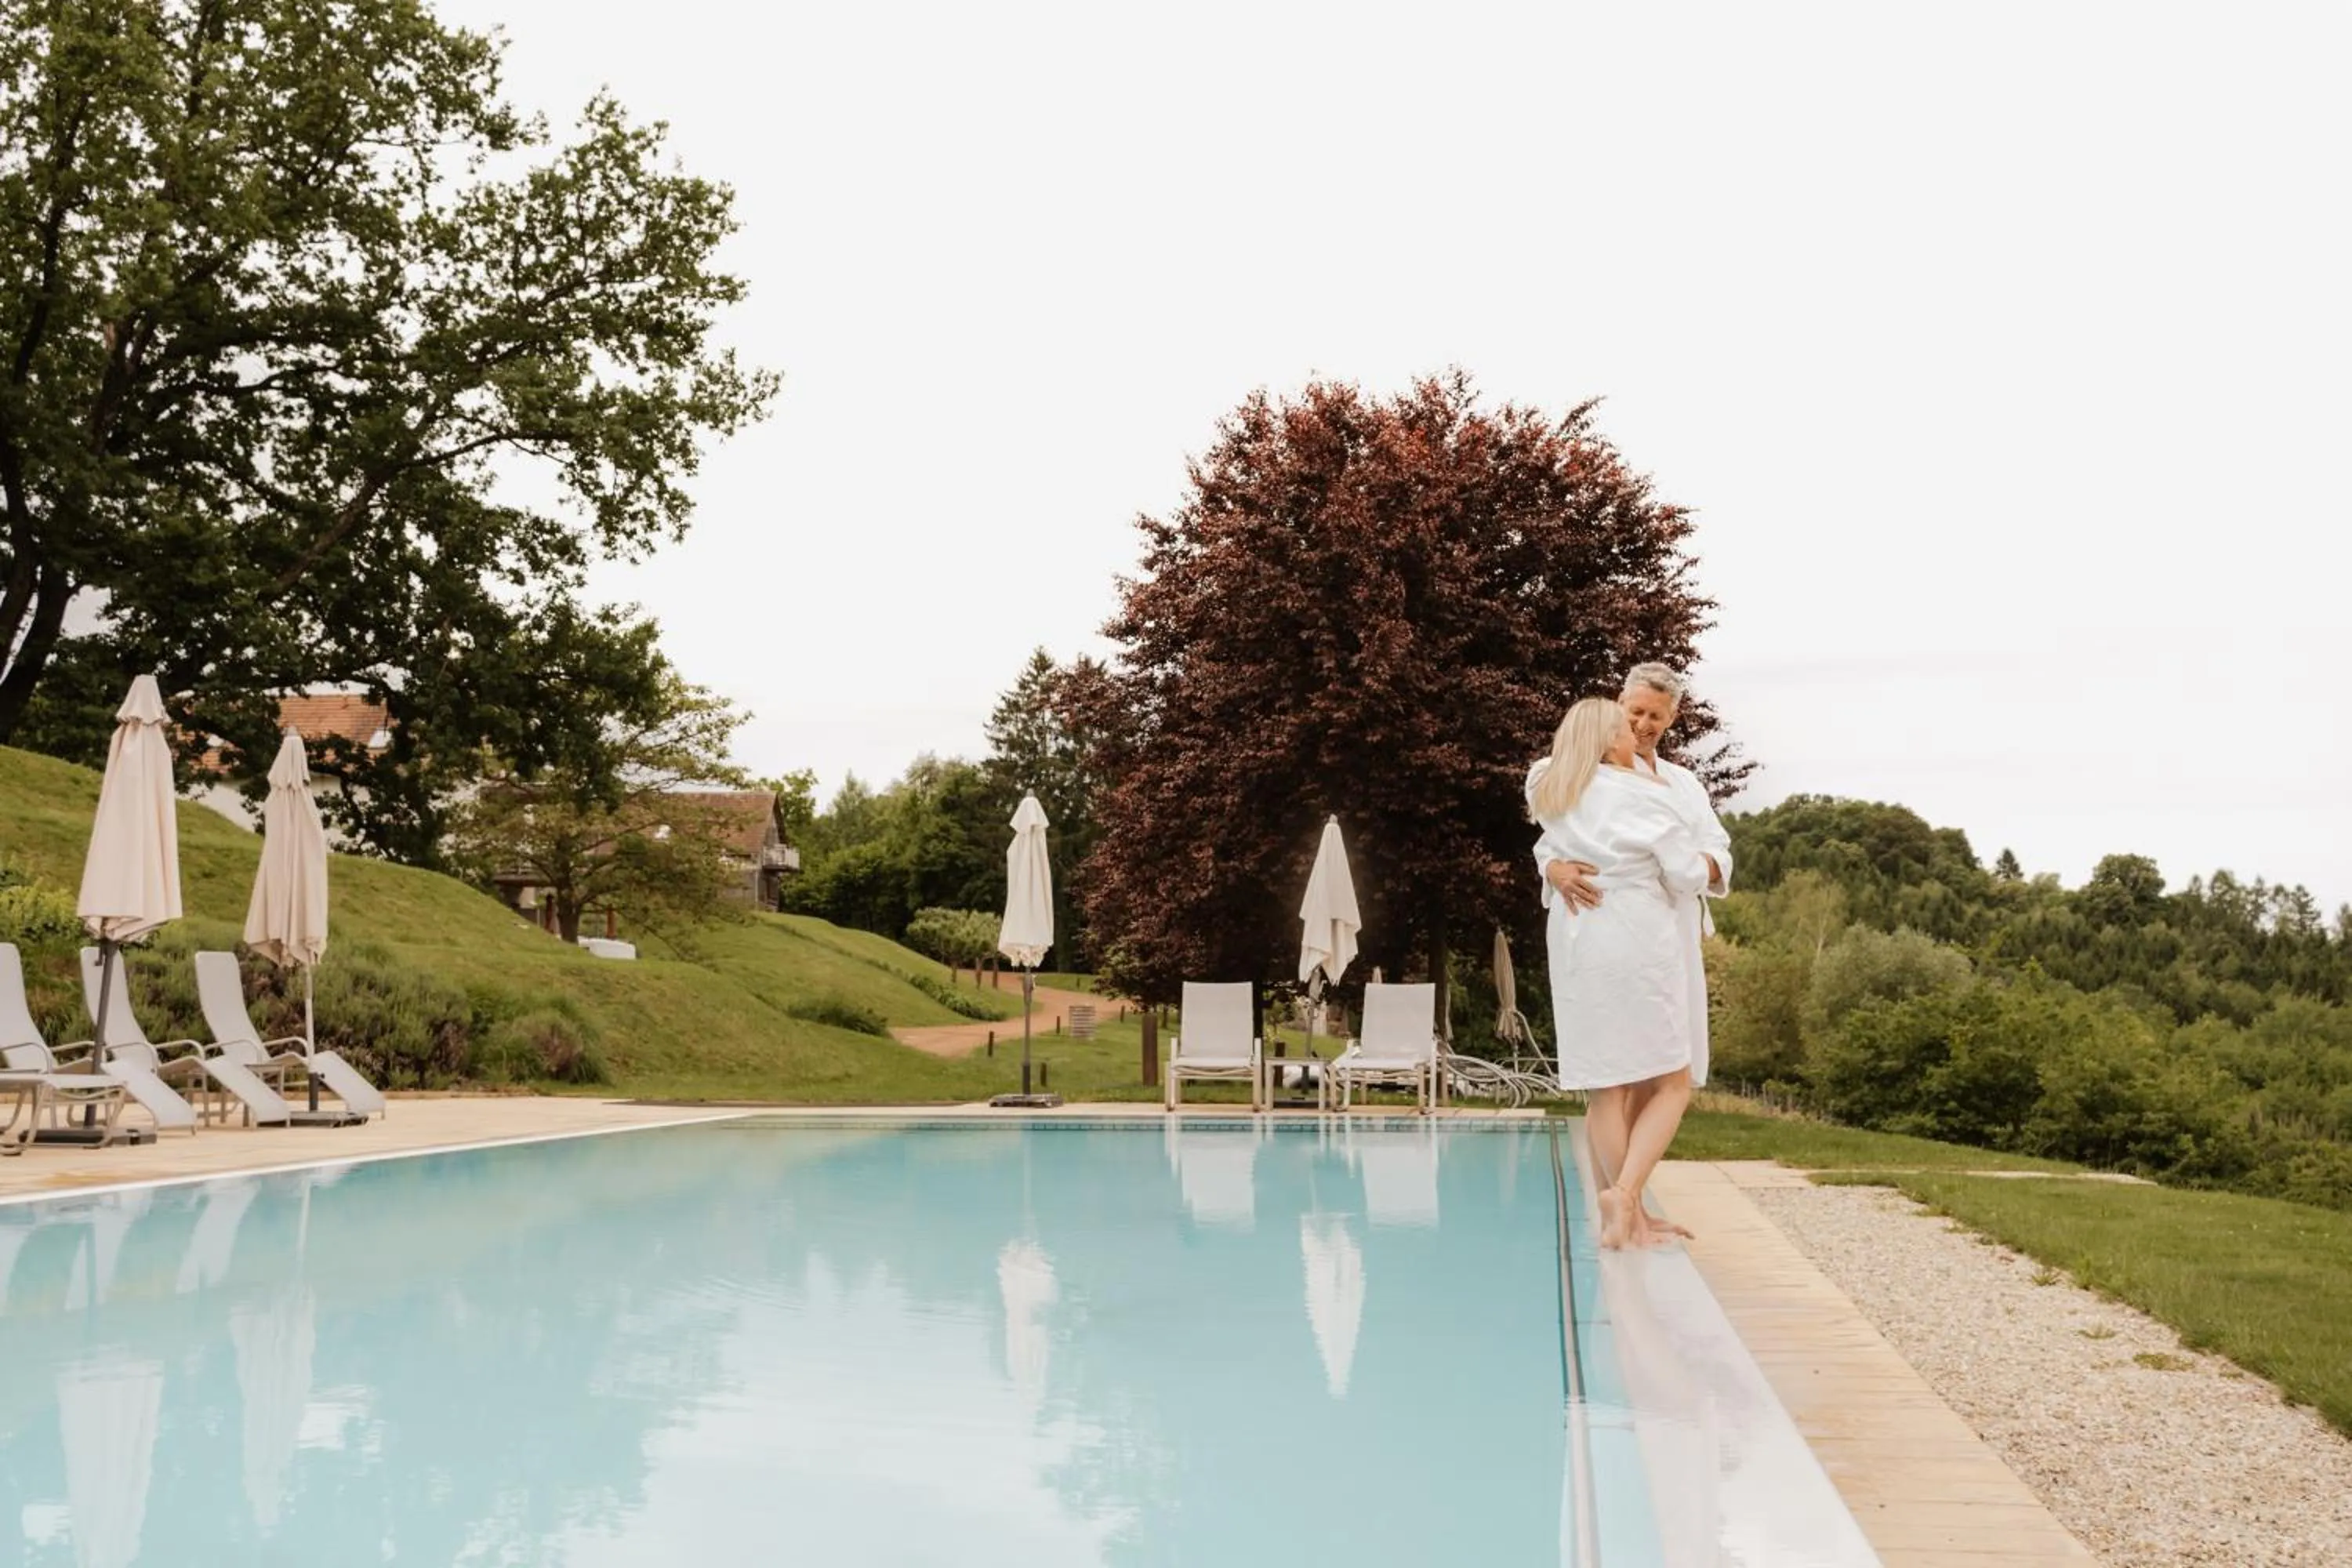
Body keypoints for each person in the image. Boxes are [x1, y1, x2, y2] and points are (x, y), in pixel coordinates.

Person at [1526, 695, 1722, 1249]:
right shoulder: (1646, 796)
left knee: (1605, 1088)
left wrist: (1557, 865)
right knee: (1672, 1082)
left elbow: (1547, 846)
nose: (1633, 734)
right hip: (1637, 938)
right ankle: (1628, 1193)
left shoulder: (1551, 787)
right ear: (1608, 740)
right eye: (1622, 727)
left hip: (1577, 934)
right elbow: (1686, 876)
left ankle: (1626, 1216)